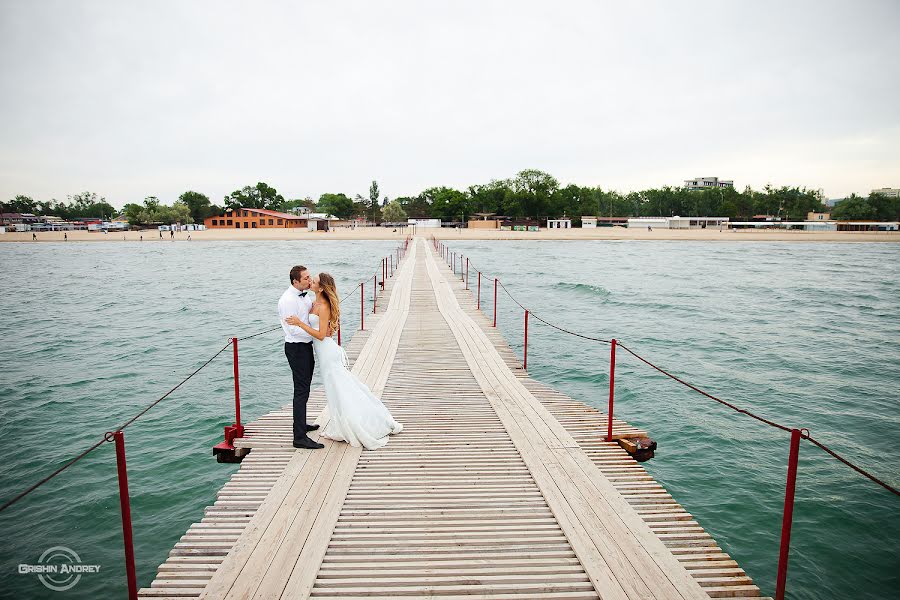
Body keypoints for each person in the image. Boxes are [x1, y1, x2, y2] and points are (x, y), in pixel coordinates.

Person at [285, 273, 402, 450]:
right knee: (336, 390)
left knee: (340, 389)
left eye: (314, 281)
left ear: (321, 287)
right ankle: (340, 422)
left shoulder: (323, 306)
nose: (311, 283)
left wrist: (299, 323)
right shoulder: (313, 302)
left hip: (327, 353)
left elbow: (321, 335)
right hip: (323, 354)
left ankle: (358, 423)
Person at [278, 265, 323, 449]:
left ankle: (302, 424)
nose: (309, 279)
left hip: (306, 347)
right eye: (305, 278)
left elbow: (309, 317)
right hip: (296, 348)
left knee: (305, 389)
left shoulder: (305, 297)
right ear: (295, 281)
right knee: (301, 391)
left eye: (309, 276)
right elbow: (293, 330)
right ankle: (299, 437)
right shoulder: (287, 300)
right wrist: (317, 334)